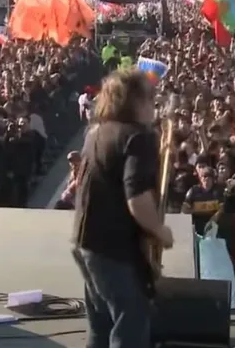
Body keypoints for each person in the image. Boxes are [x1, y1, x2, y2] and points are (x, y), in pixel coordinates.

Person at [72, 69, 173, 348]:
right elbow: (137, 198)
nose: (154, 103)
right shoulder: (137, 138)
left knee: (100, 327)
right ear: (134, 101)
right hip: (112, 248)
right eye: (150, 97)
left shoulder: (96, 132)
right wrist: (159, 230)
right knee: (131, 323)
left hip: (86, 243)